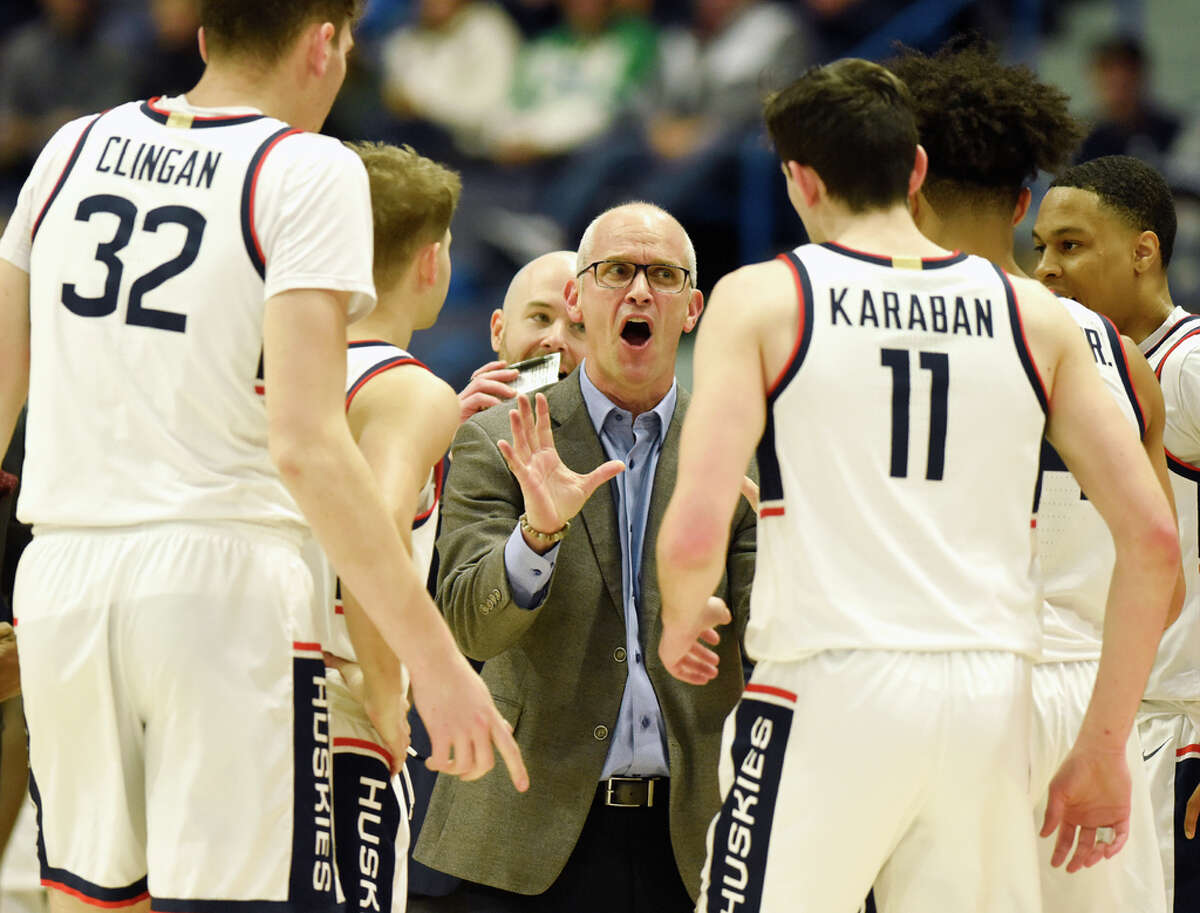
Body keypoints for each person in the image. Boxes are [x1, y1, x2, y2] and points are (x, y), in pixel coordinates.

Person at [0, 4, 525, 911]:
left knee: (88, 900)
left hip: (63, 576)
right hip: (222, 581)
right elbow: (308, 445)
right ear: (324, 41)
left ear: (206, 37)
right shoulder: (305, 166)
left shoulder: (68, 148)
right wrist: (436, 669)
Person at [657, 59, 1180, 913]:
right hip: (990, 694)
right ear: (916, 170)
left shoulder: (766, 296)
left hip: (830, 677)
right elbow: (1156, 544)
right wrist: (1102, 744)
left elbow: (693, 528)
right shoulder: (1037, 317)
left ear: (799, 178)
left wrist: (684, 610)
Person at [890, 40, 1179, 913]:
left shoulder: (885, 339)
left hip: (951, 703)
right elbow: (1160, 585)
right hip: (1098, 704)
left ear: (908, 185)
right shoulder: (1121, 359)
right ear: (1024, 202)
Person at [415, 201, 757, 912]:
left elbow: (773, 640)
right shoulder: (497, 436)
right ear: (579, 297)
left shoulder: (738, 443)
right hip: (518, 839)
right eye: (616, 272)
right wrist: (536, 537)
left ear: (691, 308)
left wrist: (752, 617)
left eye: (662, 275)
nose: (639, 291)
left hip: (691, 838)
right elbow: (472, 628)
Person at [1034, 154, 1200, 912]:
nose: (1047, 268)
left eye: (1070, 245)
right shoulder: (1082, 366)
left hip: (1186, 729)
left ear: (1143, 251)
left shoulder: (1188, 365)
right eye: (1040, 247)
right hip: (1119, 721)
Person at [303, 141, 463, 913]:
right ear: (431, 261)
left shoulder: (268, 363)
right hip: (335, 696)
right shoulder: (410, 392)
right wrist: (390, 690)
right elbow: (377, 530)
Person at [458, 249, 586, 421]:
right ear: (498, 332)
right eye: (541, 317)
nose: (556, 339)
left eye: (580, 326)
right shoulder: (451, 433)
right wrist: (458, 443)